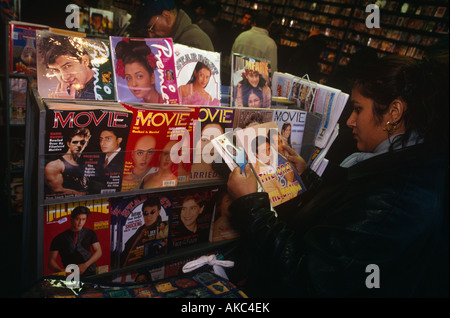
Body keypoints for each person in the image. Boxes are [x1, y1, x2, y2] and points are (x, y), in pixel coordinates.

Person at [226, 55, 449, 297]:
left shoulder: (396, 200)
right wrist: (307, 178)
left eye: (358, 109)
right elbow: (347, 215)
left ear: (394, 112)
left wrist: (252, 209)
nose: (351, 121)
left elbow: (307, 281)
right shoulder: (404, 164)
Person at [135, 0, 214, 51]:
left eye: (152, 28)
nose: (151, 35)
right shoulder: (180, 37)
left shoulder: (193, 41)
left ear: (167, 17)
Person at [38, 34, 96, 99]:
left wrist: (68, 106)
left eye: (68, 66)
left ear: (85, 61)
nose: (64, 77)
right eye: (55, 70)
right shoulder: (65, 95)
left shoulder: (103, 90)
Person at [48, 206, 102, 277]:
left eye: (83, 219)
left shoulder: (90, 233)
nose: (80, 222)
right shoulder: (59, 238)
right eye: (77, 219)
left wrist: (85, 265)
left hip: (90, 272)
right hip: (71, 275)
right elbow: (51, 261)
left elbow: (98, 251)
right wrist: (61, 271)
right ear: (71, 219)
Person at [44, 128, 91, 196]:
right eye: (75, 142)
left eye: (82, 142)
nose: (78, 145)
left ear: (86, 144)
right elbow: (57, 190)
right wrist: (82, 194)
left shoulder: (84, 164)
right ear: (68, 144)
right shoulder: (55, 165)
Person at [114, 39, 163, 104]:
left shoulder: (170, 103)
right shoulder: (137, 108)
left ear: (152, 78)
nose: (134, 84)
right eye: (129, 78)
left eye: (139, 76)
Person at [121, 197, 163, 267]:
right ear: (142, 214)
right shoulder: (141, 229)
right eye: (146, 213)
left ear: (158, 212)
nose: (149, 216)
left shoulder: (161, 229)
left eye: (152, 212)